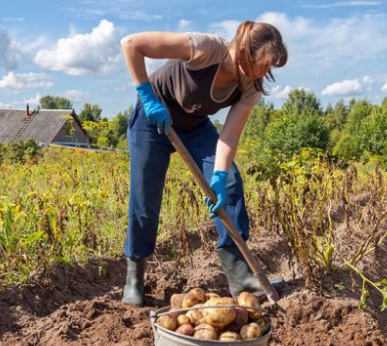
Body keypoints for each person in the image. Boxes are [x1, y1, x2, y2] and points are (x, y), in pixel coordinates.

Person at [119, 21, 287, 306]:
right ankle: (134, 278)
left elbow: (229, 137)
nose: (263, 73)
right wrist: (148, 98)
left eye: (268, 68)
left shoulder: (251, 88)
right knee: (145, 200)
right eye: (261, 64)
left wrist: (219, 176)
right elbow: (131, 44)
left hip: (195, 127)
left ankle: (239, 275)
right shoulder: (206, 48)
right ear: (244, 50)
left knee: (231, 183)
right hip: (153, 119)